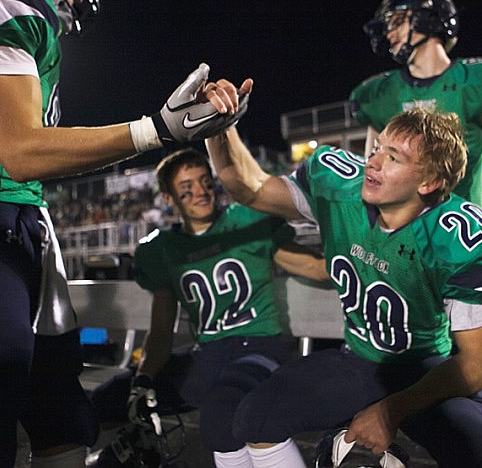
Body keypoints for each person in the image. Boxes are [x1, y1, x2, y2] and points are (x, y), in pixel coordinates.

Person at [0, 0, 252, 466]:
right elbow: (20, 149)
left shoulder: (14, 1)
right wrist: (156, 131)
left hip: (24, 221)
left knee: (62, 418)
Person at [206, 107, 482, 467]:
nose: (373, 162)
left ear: (428, 183)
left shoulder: (461, 239)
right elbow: (250, 188)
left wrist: (392, 410)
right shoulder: (341, 191)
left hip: (423, 366)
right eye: (377, 149)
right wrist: (220, 128)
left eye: (393, 157)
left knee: (473, 451)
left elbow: (480, 364)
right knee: (254, 418)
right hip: (358, 357)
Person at [117, 148, 328, 468]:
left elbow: (315, 267)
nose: (201, 192)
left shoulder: (246, 221)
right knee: (109, 400)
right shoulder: (162, 249)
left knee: (221, 412)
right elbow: (161, 330)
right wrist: (143, 378)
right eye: (187, 187)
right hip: (207, 357)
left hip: (257, 346)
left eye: (204, 181)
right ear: (169, 198)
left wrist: (363, 252)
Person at [351, 0, 482, 287]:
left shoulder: (474, 82)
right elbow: (370, 169)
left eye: (397, 22)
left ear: (428, 20)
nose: (389, 33)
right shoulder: (380, 93)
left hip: (458, 241)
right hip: (397, 246)